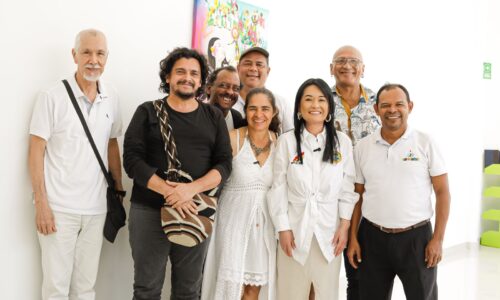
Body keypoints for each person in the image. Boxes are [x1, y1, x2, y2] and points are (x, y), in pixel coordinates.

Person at [123, 47, 232, 300]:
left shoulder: (213, 116)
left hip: (197, 210)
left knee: (189, 290)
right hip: (148, 211)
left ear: (201, 79)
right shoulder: (147, 111)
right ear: (168, 78)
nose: (187, 77)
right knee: (147, 289)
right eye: (180, 71)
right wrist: (170, 191)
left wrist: (189, 190)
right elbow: (132, 160)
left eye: (194, 73)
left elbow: (225, 165)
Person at [28, 28, 123, 300]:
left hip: (96, 210)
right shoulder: (52, 96)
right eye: (87, 52)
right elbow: (36, 151)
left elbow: (112, 143)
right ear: (74, 55)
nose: (94, 59)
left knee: (85, 288)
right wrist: (41, 203)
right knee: (56, 288)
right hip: (58, 209)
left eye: (100, 53)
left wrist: (117, 190)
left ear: (107, 57)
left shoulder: (111, 96)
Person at [347, 84, 451, 300]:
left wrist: (438, 240)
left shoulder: (425, 142)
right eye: (385, 105)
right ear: (376, 109)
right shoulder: (363, 147)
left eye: (398, 104)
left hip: (417, 240)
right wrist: (353, 238)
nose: (392, 110)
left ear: (409, 107)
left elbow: (443, 192)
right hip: (372, 238)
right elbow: (357, 196)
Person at [268, 78, 359, 300]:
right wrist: (283, 228)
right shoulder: (287, 142)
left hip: (329, 233)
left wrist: (344, 226)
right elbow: (278, 187)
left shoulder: (342, 143)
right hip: (294, 231)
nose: (315, 105)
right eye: (308, 99)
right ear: (299, 107)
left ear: (329, 107)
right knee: (290, 293)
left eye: (321, 100)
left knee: (325, 294)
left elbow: (347, 189)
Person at [202, 88, 280, 300]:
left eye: (265, 109)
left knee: (254, 289)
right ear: (245, 111)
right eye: (252, 108)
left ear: (273, 112)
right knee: (231, 286)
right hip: (233, 223)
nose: (258, 114)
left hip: (265, 227)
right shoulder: (232, 139)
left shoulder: (280, 143)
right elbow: (212, 175)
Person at [330, 45, 380, 300]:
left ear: (363, 69)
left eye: (353, 61)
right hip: (330, 196)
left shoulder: (378, 102)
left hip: (369, 199)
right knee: (325, 272)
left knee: (362, 272)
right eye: (340, 61)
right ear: (331, 68)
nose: (346, 66)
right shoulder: (321, 100)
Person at [235, 46, 294, 132]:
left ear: (268, 71)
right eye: (248, 63)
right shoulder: (229, 103)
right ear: (238, 68)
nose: (253, 68)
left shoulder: (281, 103)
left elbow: (290, 138)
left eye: (259, 64)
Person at [206, 65, 246, 131]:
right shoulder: (195, 116)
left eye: (236, 88)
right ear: (209, 88)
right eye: (223, 85)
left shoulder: (237, 118)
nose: (230, 92)